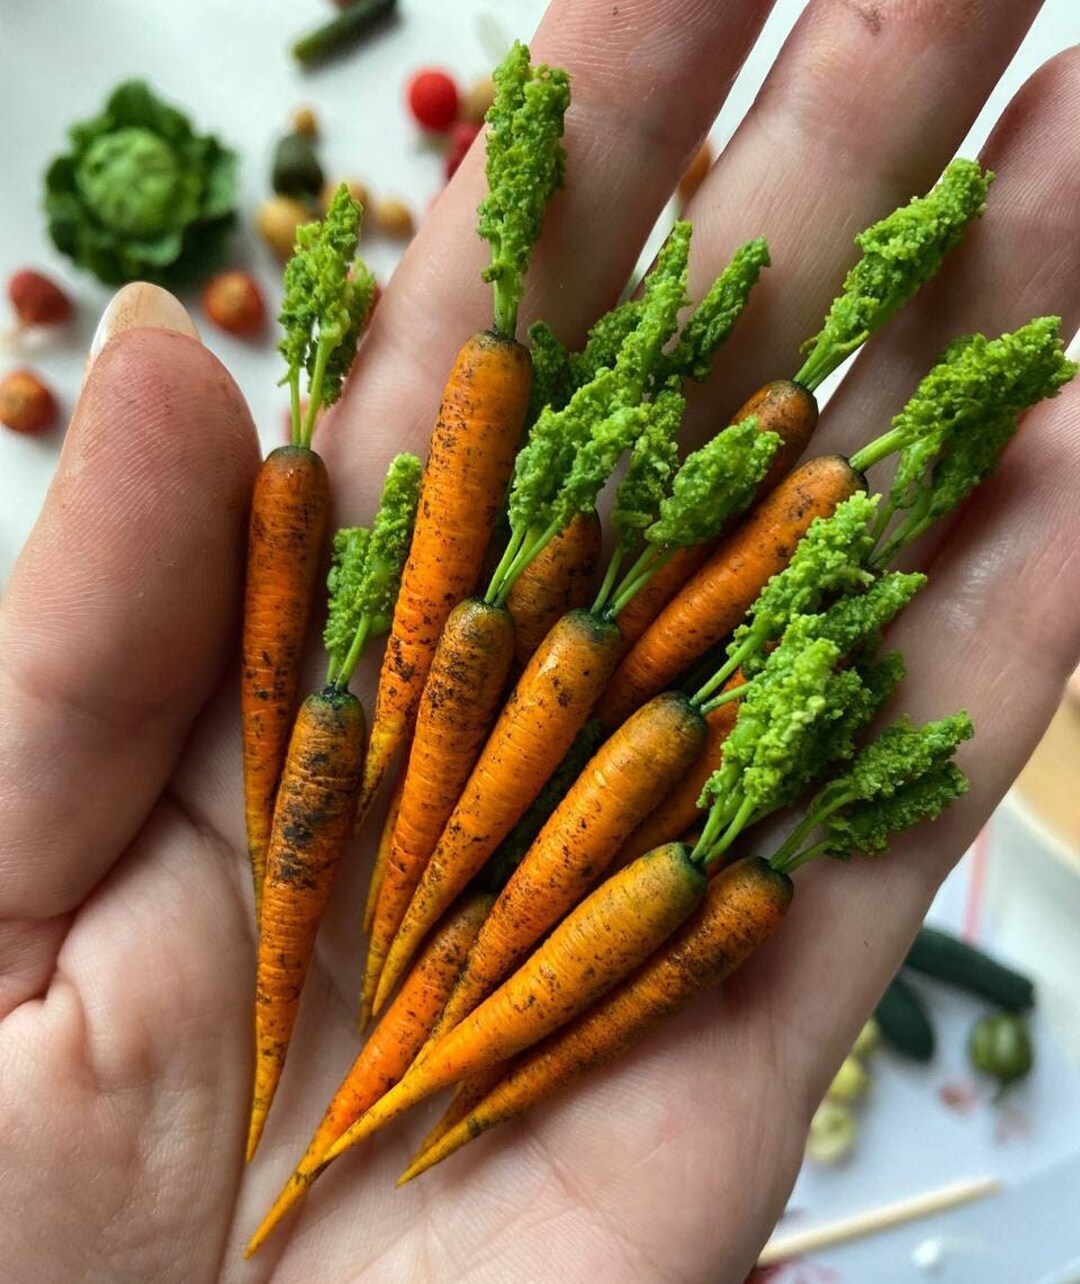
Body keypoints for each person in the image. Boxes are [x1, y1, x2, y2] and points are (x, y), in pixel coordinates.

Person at [1, 1, 1077, 1279]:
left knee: (613, 709)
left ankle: (406, 1038)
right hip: (502, 728)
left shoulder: (670, 744)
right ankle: (394, 1004)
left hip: (611, 799)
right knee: (516, 678)